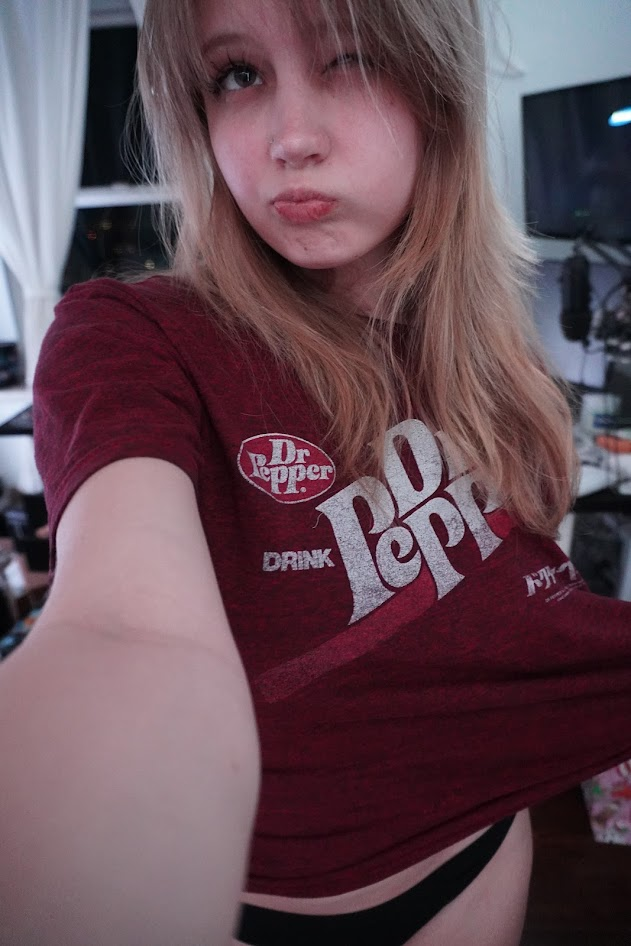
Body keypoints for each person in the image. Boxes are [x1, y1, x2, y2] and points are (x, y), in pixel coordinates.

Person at [2, 0, 631, 944]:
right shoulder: (135, 339)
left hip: (477, 862)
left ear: (437, 92)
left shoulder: (495, 356)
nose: (289, 138)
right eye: (237, 75)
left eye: (353, 60)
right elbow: (124, 630)